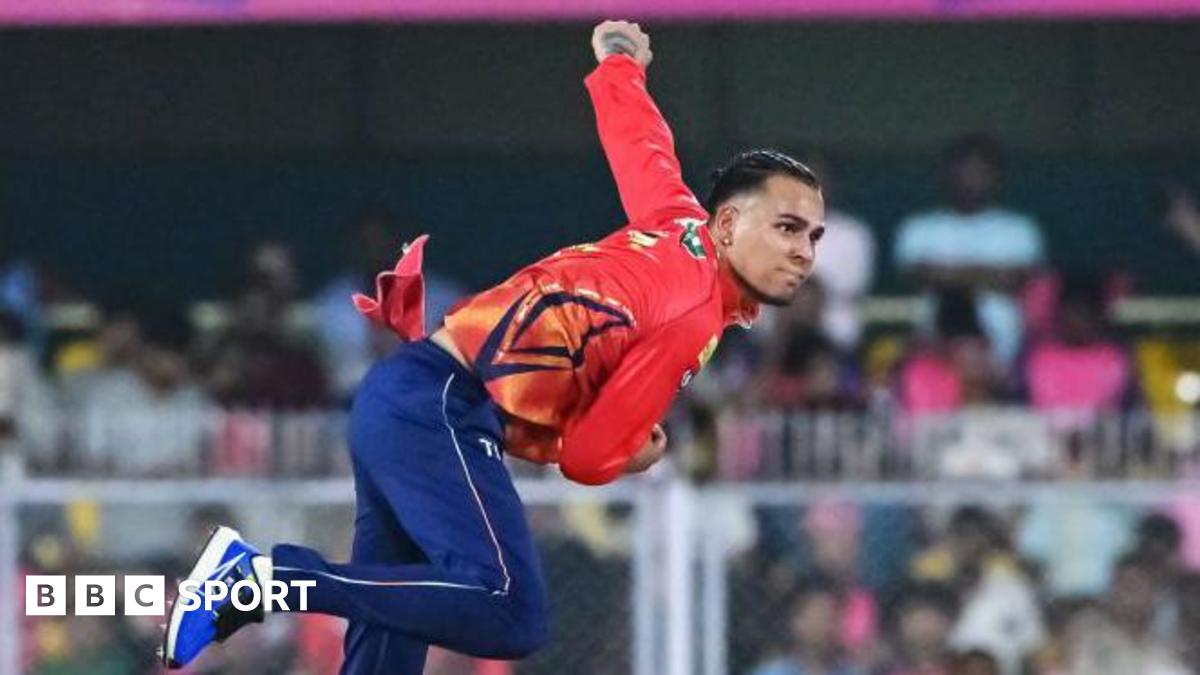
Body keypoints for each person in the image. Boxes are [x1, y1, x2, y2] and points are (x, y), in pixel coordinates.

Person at [162, 20, 826, 672]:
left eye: (813, 237)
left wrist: (619, 61)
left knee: (389, 642)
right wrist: (637, 450)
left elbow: (641, 146)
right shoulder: (692, 314)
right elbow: (588, 456)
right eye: (787, 228)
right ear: (728, 224)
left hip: (408, 395)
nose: (803, 252)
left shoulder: (678, 222)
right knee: (508, 609)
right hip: (442, 407)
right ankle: (259, 580)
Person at [894, 134, 1045, 367]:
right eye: (964, 170)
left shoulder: (1019, 229)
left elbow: (1016, 279)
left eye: (980, 171)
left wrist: (949, 274)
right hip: (934, 344)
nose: (971, 178)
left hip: (1004, 347)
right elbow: (918, 274)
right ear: (948, 174)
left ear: (997, 176)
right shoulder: (919, 227)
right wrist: (987, 274)